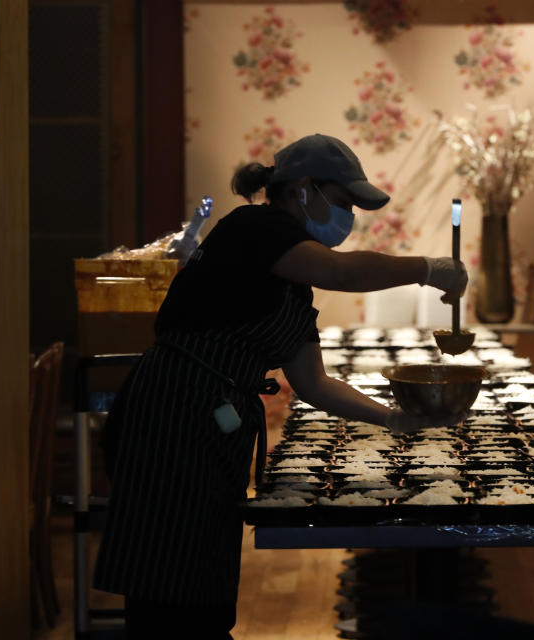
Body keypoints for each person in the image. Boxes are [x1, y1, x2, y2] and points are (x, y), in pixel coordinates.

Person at [91, 133, 468, 639]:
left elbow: (313, 382)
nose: (348, 217)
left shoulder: (290, 280)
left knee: (203, 586)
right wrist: (427, 269)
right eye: (344, 201)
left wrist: (393, 418)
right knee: (167, 589)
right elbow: (341, 270)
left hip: (214, 421)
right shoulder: (255, 226)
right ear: (304, 189)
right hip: (174, 413)